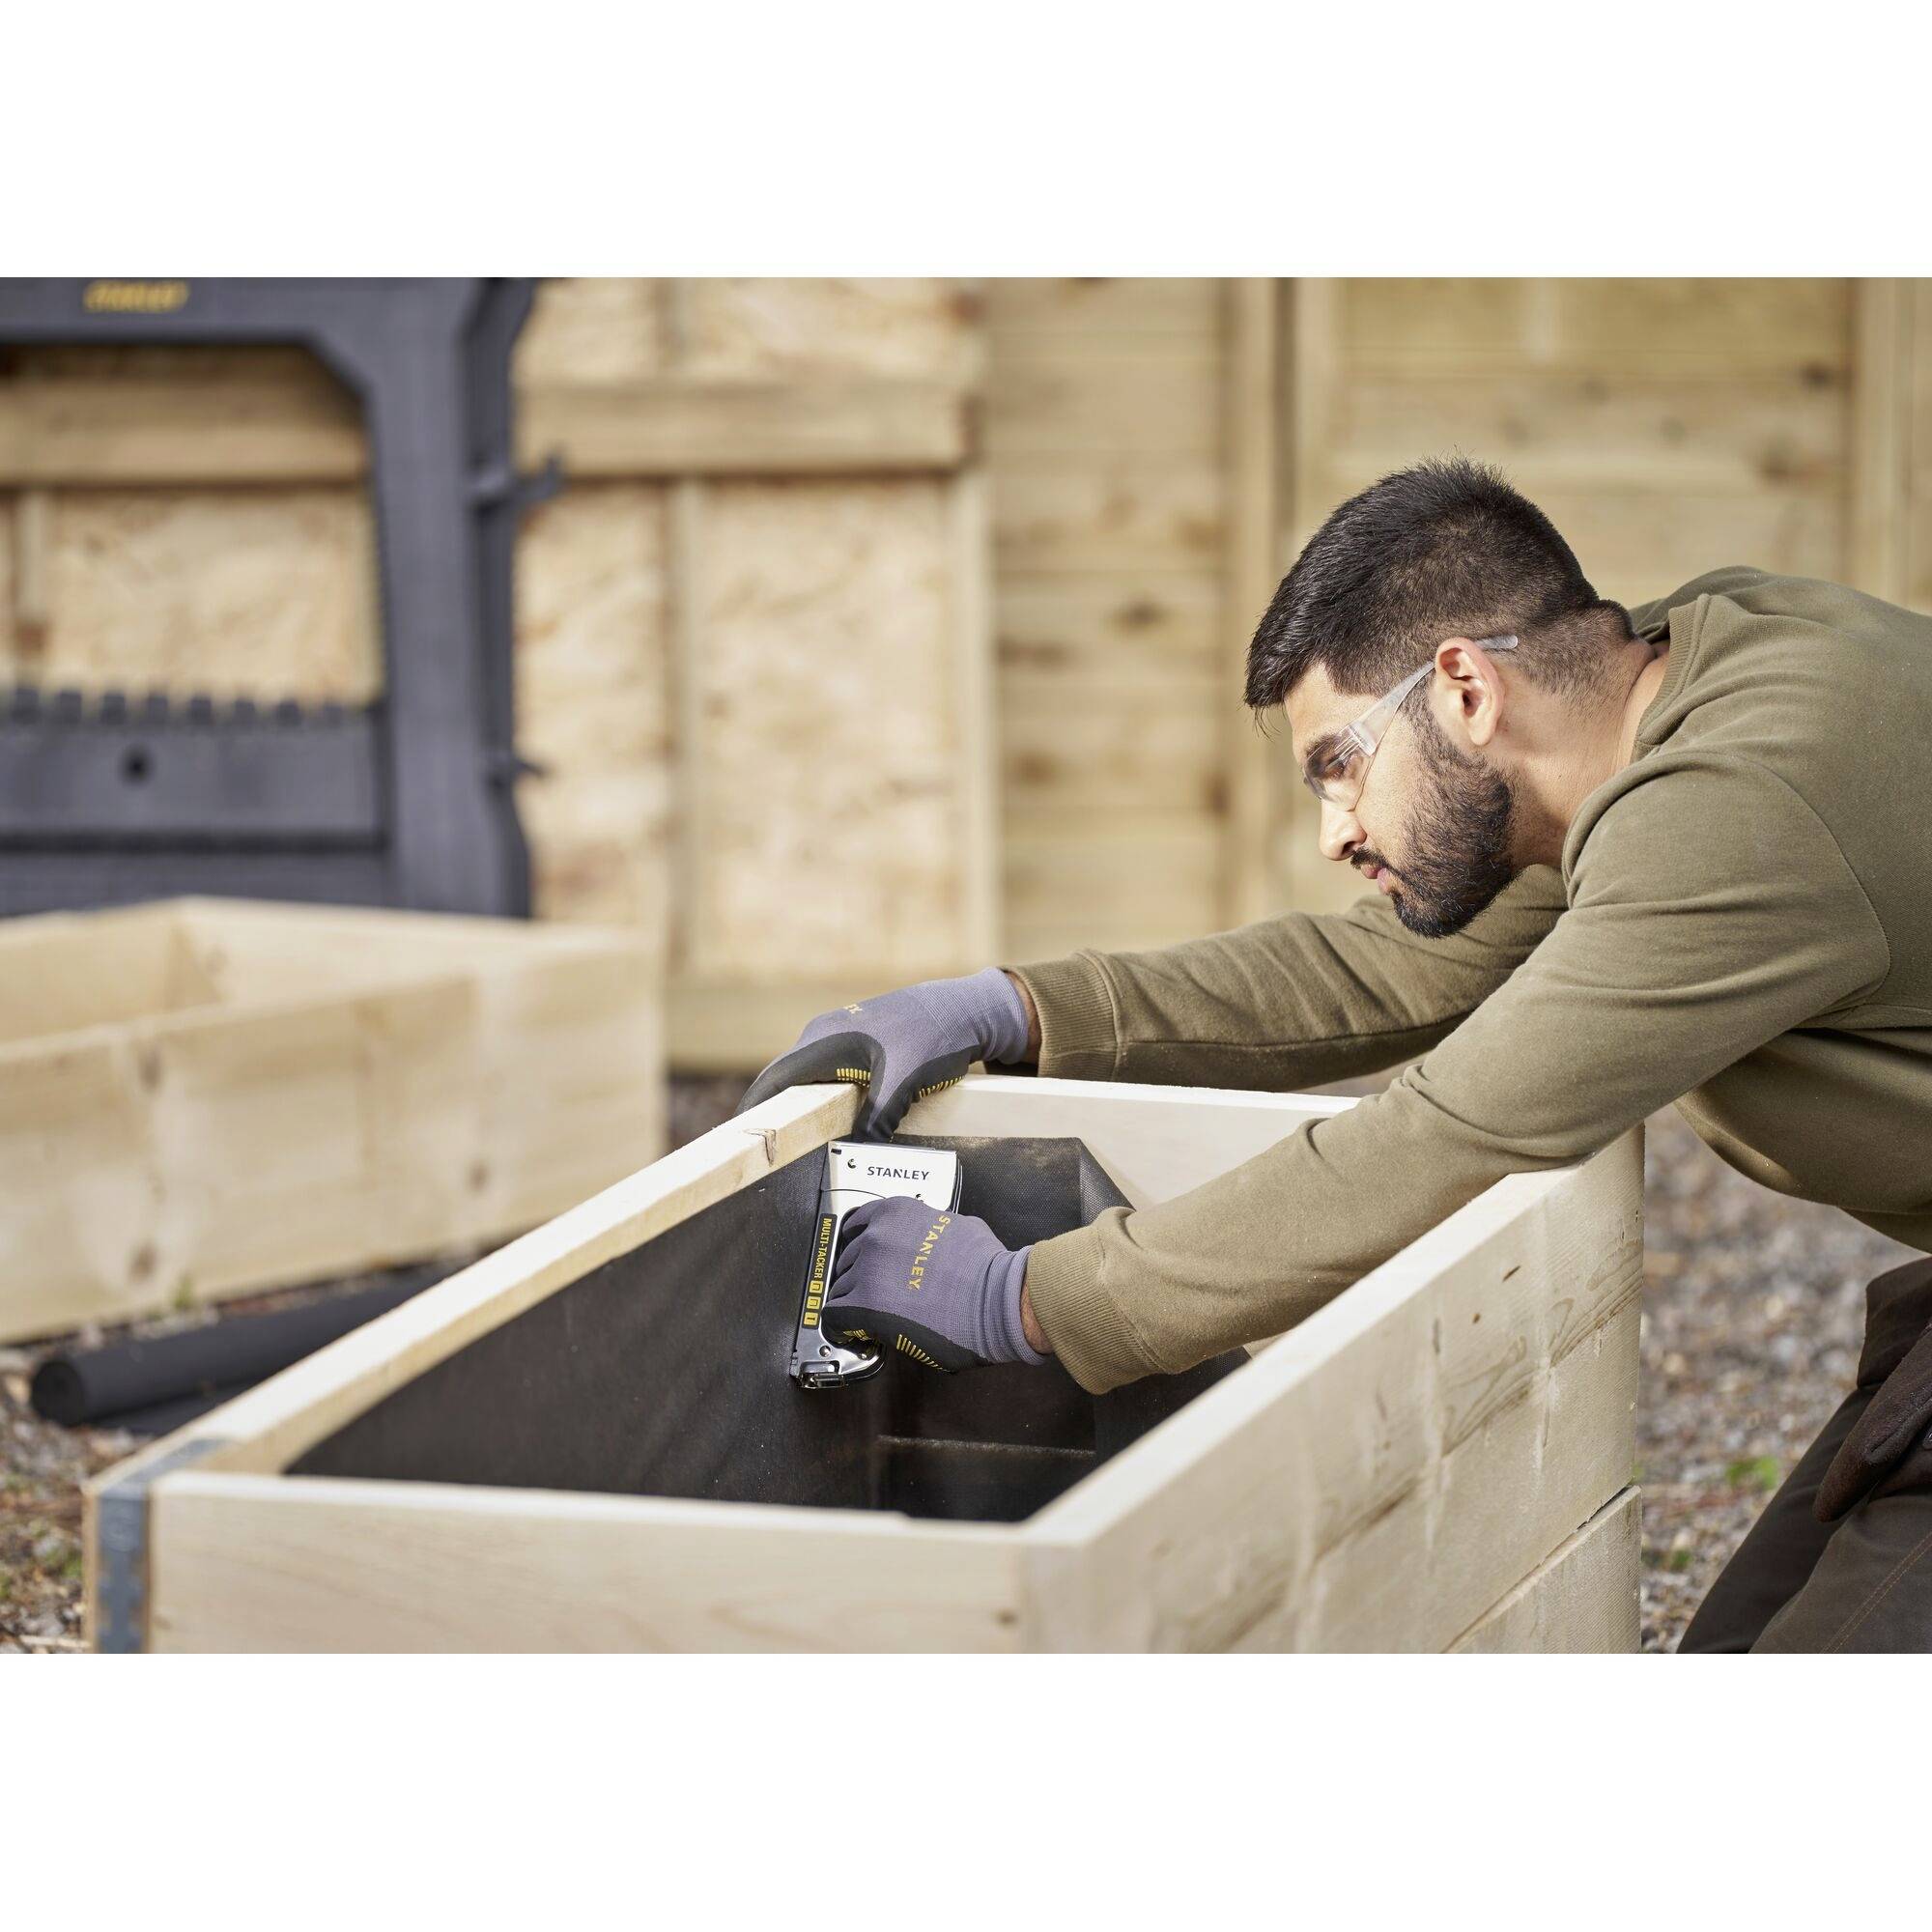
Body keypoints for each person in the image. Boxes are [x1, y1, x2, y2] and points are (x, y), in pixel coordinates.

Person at [738, 457, 1932, 1651]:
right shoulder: (1685, 685)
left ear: (1463, 687)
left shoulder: (1736, 808)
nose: (1332, 831)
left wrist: (1022, 1301)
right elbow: (1392, 971)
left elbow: (1445, 1134)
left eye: (1337, 763)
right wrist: (1009, 1007)